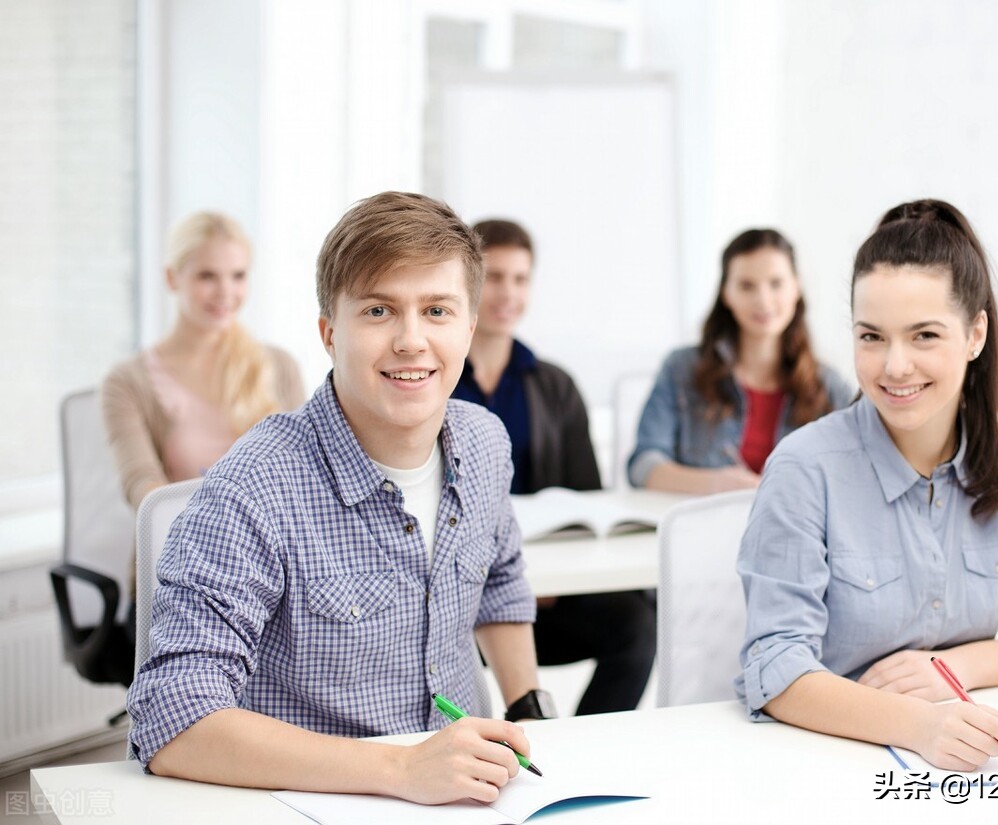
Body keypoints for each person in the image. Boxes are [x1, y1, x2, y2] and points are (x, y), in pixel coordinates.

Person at [127, 193, 549, 805]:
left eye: (436, 310)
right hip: (315, 803)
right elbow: (171, 719)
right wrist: (402, 770)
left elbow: (501, 582)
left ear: (469, 327)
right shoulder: (258, 483)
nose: (411, 340)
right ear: (329, 333)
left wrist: (528, 707)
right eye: (378, 310)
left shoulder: (484, 442)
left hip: (470, 798)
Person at [736, 199, 998, 772]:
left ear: (975, 334)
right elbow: (776, 668)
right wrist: (919, 725)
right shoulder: (805, 468)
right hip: (824, 762)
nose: (895, 366)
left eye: (925, 335)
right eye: (872, 336)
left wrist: (955, 669)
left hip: (958, 757)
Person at [452, 219, 656, 715]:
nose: (508, 292)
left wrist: (549, 580)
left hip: (549, 591)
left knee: (636, 625)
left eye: (520, 279)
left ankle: (577, 744)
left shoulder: (555, 386)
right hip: (458, 595)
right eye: (495, 277)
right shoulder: (433, 378)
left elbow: (584, 500)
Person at [101, 211, 305, 513]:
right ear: (172, 278)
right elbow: (142, 488)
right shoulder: (127, 383)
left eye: (238, 276)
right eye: (207, 276)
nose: (225, 292)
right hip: (183, 538)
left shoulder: (280, 366)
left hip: (272, 539)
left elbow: (305, 474)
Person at [628, 228, 855, 494]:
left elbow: (858, 471)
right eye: (747, 286)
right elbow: (643, 465)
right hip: (704, 518)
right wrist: (714, 484)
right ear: (726, 293)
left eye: (776, 283)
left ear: (796, 287)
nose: (763, 300)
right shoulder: (681, 369)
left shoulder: (829, 386)